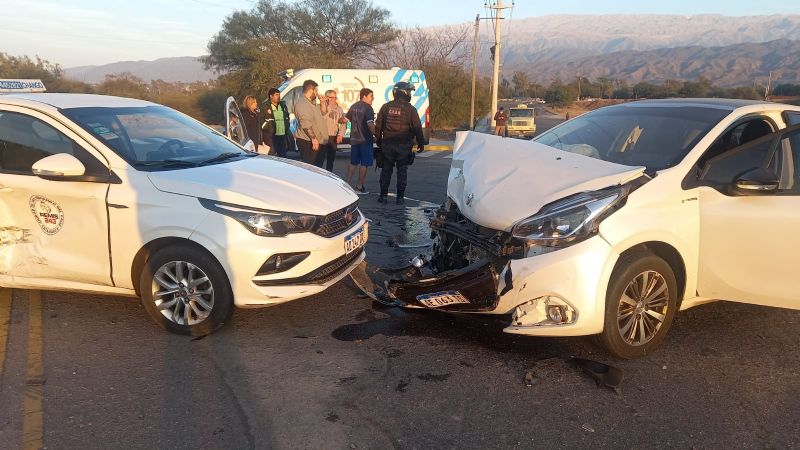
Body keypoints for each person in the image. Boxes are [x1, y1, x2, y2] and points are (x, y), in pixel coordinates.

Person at [375, 81, 426, 205]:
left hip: (387, 145)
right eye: (408, 91)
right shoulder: (411, 109)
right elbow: (417, 128)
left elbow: (378, 127)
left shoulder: (385, 107)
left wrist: (379, 141)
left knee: (386, 171)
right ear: (403, 92)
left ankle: (383, 196)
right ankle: (400, 198)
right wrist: (421, 143)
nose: (409, 93)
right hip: (403, 146)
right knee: (402, 172)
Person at [345, 88, 375, 194]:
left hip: (354, 139)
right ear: (364, 96)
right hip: (365, 140)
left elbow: (345, 119)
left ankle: (346, 185)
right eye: (371, 96)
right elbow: (370, 124)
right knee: (364, 164)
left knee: (353, 162)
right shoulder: (368, 108)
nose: (373, 98)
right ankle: (359, 186)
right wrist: (378, 134)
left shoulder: (354, 106)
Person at [293, 79, 328, 166]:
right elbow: (306, 124)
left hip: (317, 141)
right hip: (308, 142)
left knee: (318, 167)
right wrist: (314, 139)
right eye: (316, 91)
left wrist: (323, 102)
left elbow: (323, 112)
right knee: (311, 167)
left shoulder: (313, 103)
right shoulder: (303, 104)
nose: (317, 93)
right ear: (310, 90)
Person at [319, 89, 347, 171]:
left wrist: (340, 135)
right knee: (320, 158)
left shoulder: (339, 109)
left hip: (333, 136)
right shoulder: (321, 107)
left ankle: (329, 174)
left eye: (335, 97)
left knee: (331, 159)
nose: (335, 99)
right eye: (332, 97)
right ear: (327, 97)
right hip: (322, 136)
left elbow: (343, 123)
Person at [262, 88, 290, 157]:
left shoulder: (282, 105)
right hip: (272, 136)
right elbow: (262, 121)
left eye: (279, 95)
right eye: (276, 95)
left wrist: (287, 126)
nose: (279, 96)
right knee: (273, 156)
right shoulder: (266, 107)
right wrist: (268, 129)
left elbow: (287, 117)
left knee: (283, 156)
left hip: (282, 135)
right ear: (271, 96)